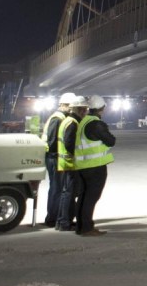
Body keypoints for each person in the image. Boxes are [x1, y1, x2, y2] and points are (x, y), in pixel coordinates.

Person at [71, 94, 117, 236]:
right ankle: (87, 228)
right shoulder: (96, 124)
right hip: (94, 167)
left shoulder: (83, 121)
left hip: (82, 165)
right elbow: (111, 141)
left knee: (84, 196)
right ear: (101, 108)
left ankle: (80, 226)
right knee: (91, 197)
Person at [42, 93, 76, 226]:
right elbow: (52, 142)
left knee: (58, 189)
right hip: (53, 157)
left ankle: (55, 216)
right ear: (62, 105)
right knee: (57, 189)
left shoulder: (60, 117)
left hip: (54, 157)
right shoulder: (58, 118)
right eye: (69, 106)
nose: (71, 109)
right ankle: (52, 218)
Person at [55, 96, 88, 231]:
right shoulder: (73, 123)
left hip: (65, 162)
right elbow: (69, 143)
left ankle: (61, 221)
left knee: (66, 193)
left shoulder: (67, 120)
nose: (86, 112)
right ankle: (64, 222)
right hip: (71, 163)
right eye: (85, 109)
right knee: (69, 193)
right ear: (80, 109)